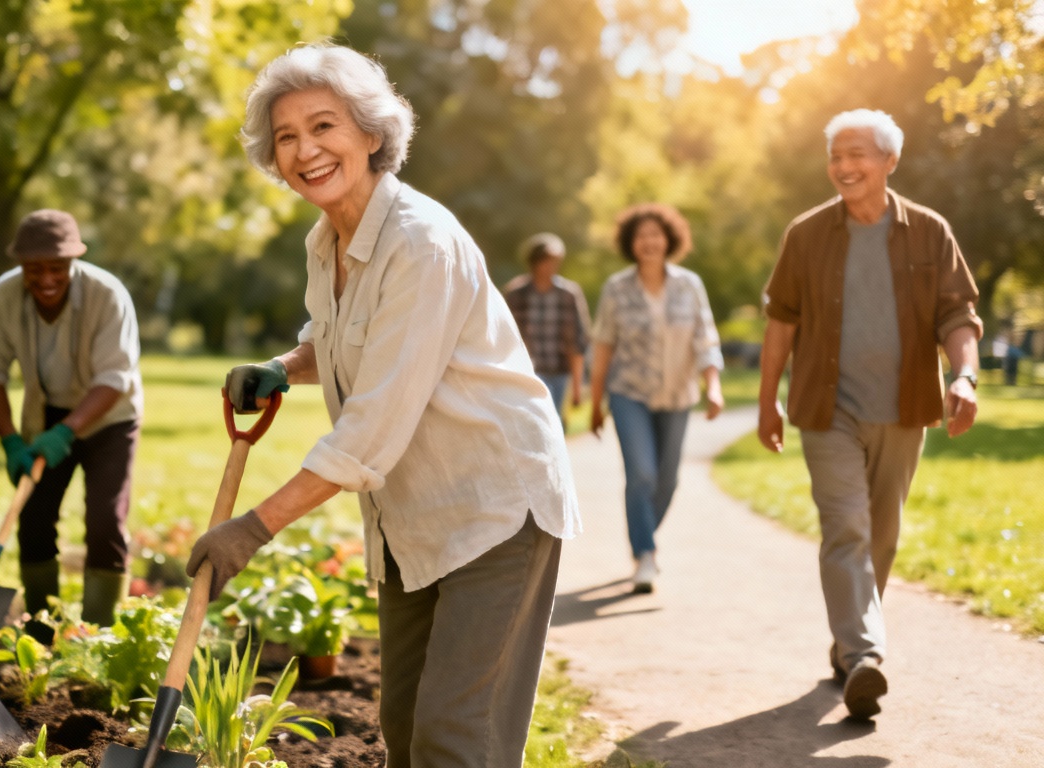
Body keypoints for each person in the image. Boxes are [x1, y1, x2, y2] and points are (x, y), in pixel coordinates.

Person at [183, 44, 579, 768]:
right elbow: (336, 339)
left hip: (494, 507)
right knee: (403, 730)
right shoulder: (326, 242)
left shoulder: (421, 244)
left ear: (371, 132)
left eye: (324, 126)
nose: (306, 150)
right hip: (414, 520)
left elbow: (372, 427)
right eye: (286, 137)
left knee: (457, 738)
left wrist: (252, 529)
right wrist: (281, 367)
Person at [758, 109, 982, 720]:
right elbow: (781, 321)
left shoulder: (929, 232)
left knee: (881, 535)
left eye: (858, 154)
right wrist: (767, 399)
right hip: (826, 410)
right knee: (846, 527)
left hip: (905, 409)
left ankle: (849, 646)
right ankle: (865, 654)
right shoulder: (806, 234)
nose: (844, 166)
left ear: (889, 161)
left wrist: (964, 375)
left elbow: (958, 317)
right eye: (836, 155)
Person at [0, 209, 143, 626]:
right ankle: (42, 631)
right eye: (34, 269)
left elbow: (113, 378)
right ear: (21, 266)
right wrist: (11, 440)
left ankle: (100, 633)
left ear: (73, 261)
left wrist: (66, 431)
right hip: (43, 416)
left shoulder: (107, 294)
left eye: (56, 268)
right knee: (33, 519)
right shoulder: (2, 297)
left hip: (110, 417)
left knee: (105, 519)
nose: (46, 279)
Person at [587, 203, 724, 594]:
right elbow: (603, 347)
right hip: (630, 394)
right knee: (641, 474)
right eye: (641, 235)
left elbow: (705, 341)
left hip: (678, 396)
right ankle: (645, 554)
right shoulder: (617, 288)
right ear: (631, 243)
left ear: (669, 240)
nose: (649, 241)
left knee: (667, 481)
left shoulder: (689, 285)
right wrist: (596, 403)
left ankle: (641, 533)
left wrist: (713, 387)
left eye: (656, 234)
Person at [503, 233, 593, 429]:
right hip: (528, 373)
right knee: (533, 425)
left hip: (560, 372)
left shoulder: (568, 294)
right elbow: (505, 339)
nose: (550, 266)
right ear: (533, 261)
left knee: (555, 425)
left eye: (554, 261)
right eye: (545, 261)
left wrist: (577, 389)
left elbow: (578, 341)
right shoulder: (516, 294)